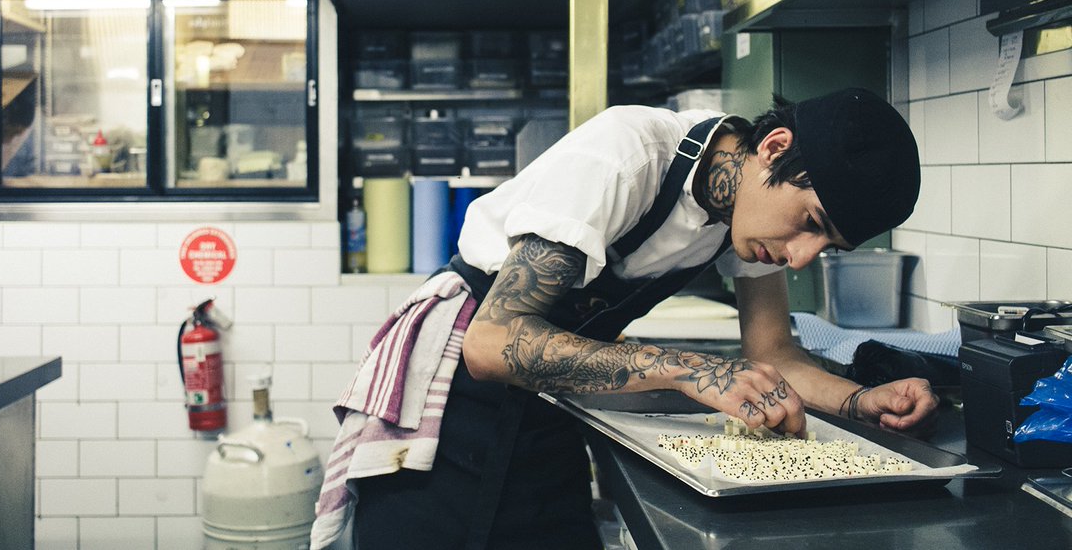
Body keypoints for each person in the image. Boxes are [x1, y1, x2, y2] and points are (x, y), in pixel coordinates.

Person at [328, 87, 936, 550]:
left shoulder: (746, 220)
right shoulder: (628, 154)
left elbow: (773, 354)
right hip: (451, 393)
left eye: (827, 247)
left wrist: (861, 402)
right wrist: (686, 369)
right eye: (810, 222)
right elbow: (490, 344)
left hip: (547, 394)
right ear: (774, 150)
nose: (803, 257)